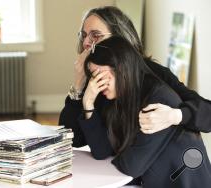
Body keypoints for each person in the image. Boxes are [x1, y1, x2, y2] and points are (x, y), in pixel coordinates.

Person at [59, 6, 211, 142]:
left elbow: (208, 113)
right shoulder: (92, 77)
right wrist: (78, 87)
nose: (86, 42)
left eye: (95, 35)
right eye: (84, 35)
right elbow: (71, 139)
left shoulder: (155, 74)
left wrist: (176, 116)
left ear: (120, 39)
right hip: (109, 166)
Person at [80, 36, 211, 187]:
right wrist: (88, 102)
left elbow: (132, 165)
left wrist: (177, 115)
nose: (95, 83)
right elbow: (102, 151)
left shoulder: (158, 97)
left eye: (100, 75)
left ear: (121, 67)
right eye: (93, 76)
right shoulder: (117, 97)